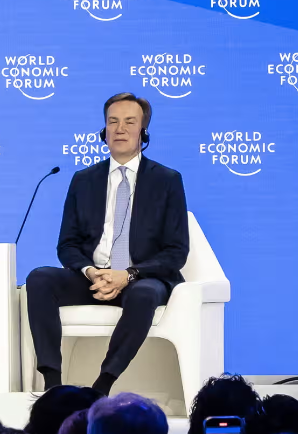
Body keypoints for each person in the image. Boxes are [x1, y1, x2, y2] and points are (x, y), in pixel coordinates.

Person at [26, 92, 190, 395]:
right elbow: (67, 244)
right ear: (104, 132)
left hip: (141, 278)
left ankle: (102, 385)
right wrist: (90, 271)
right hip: (94, 277)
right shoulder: (83, 180)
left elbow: (176, 252)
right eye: (112, 122)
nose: (120, 128)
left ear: (144, 132)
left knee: (142, 295)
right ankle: (52, 383)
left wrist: (127, 274)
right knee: (39, 278)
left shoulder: (167, 180)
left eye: (130, 122)